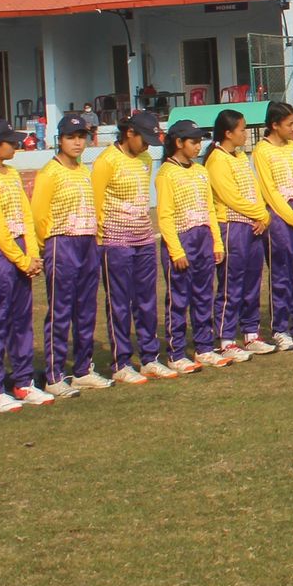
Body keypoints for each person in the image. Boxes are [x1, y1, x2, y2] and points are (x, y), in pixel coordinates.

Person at [0, 119, 55, 411]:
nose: (16, 145)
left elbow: (26, 217)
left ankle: (23, 381)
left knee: (22, 321)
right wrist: (20, 259)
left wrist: (31, 255)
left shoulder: (11, 174)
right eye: (10, 142)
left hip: (19, 251)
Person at [93, 109, 177, 384]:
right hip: (115, 241)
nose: (146, 146)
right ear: (129, 133)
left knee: (146, 301)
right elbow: (95, 202)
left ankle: (150, 358)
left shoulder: (143, 159)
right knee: (120, 302)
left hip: (143, 239)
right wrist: (100, 237)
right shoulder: (106, 161)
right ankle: (121, 362)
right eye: (143, 139)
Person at [31, 114, 110, 392]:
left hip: (87, 242)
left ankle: (83, 368)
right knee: (60, 309)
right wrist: (48, 245)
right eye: (71, 137)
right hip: (61, 243)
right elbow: (39, 215)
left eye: (81, 137)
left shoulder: (83, 171)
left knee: (86, 309)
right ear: (60, 140)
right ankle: (53, 375)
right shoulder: (49, 173)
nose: (77, 143)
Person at [156, 118, 228, 374]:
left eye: (200, 141)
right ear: (178, 142)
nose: (198, 146)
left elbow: (209, 208)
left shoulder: (200, 171)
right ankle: (176, 353)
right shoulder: (167, 173)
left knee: (203, 295)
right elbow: (164, 215)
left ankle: (204, 347)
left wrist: (216, 242)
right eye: (193, 141)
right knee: (178, 298)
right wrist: (176, 250)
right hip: (182, 239)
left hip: (203, 239)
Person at [204, 108, 274, 360]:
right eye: (242, 130)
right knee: (231, 284)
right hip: (232, 227)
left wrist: (263, 216)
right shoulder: (217, 160)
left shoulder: (240, 157)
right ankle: (225, 337)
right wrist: (259, 213)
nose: (245, 134)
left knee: (252, 282)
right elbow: (229, 196)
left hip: (254, 226)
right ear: (228, 132)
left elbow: (254, 188)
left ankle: (251, 333)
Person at [252, 100, 293, 349]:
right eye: (289, 124)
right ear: (274, 125)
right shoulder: (262, 150)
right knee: (282, 274)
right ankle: (280, 329)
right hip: (280, 217)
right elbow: (270, 191)